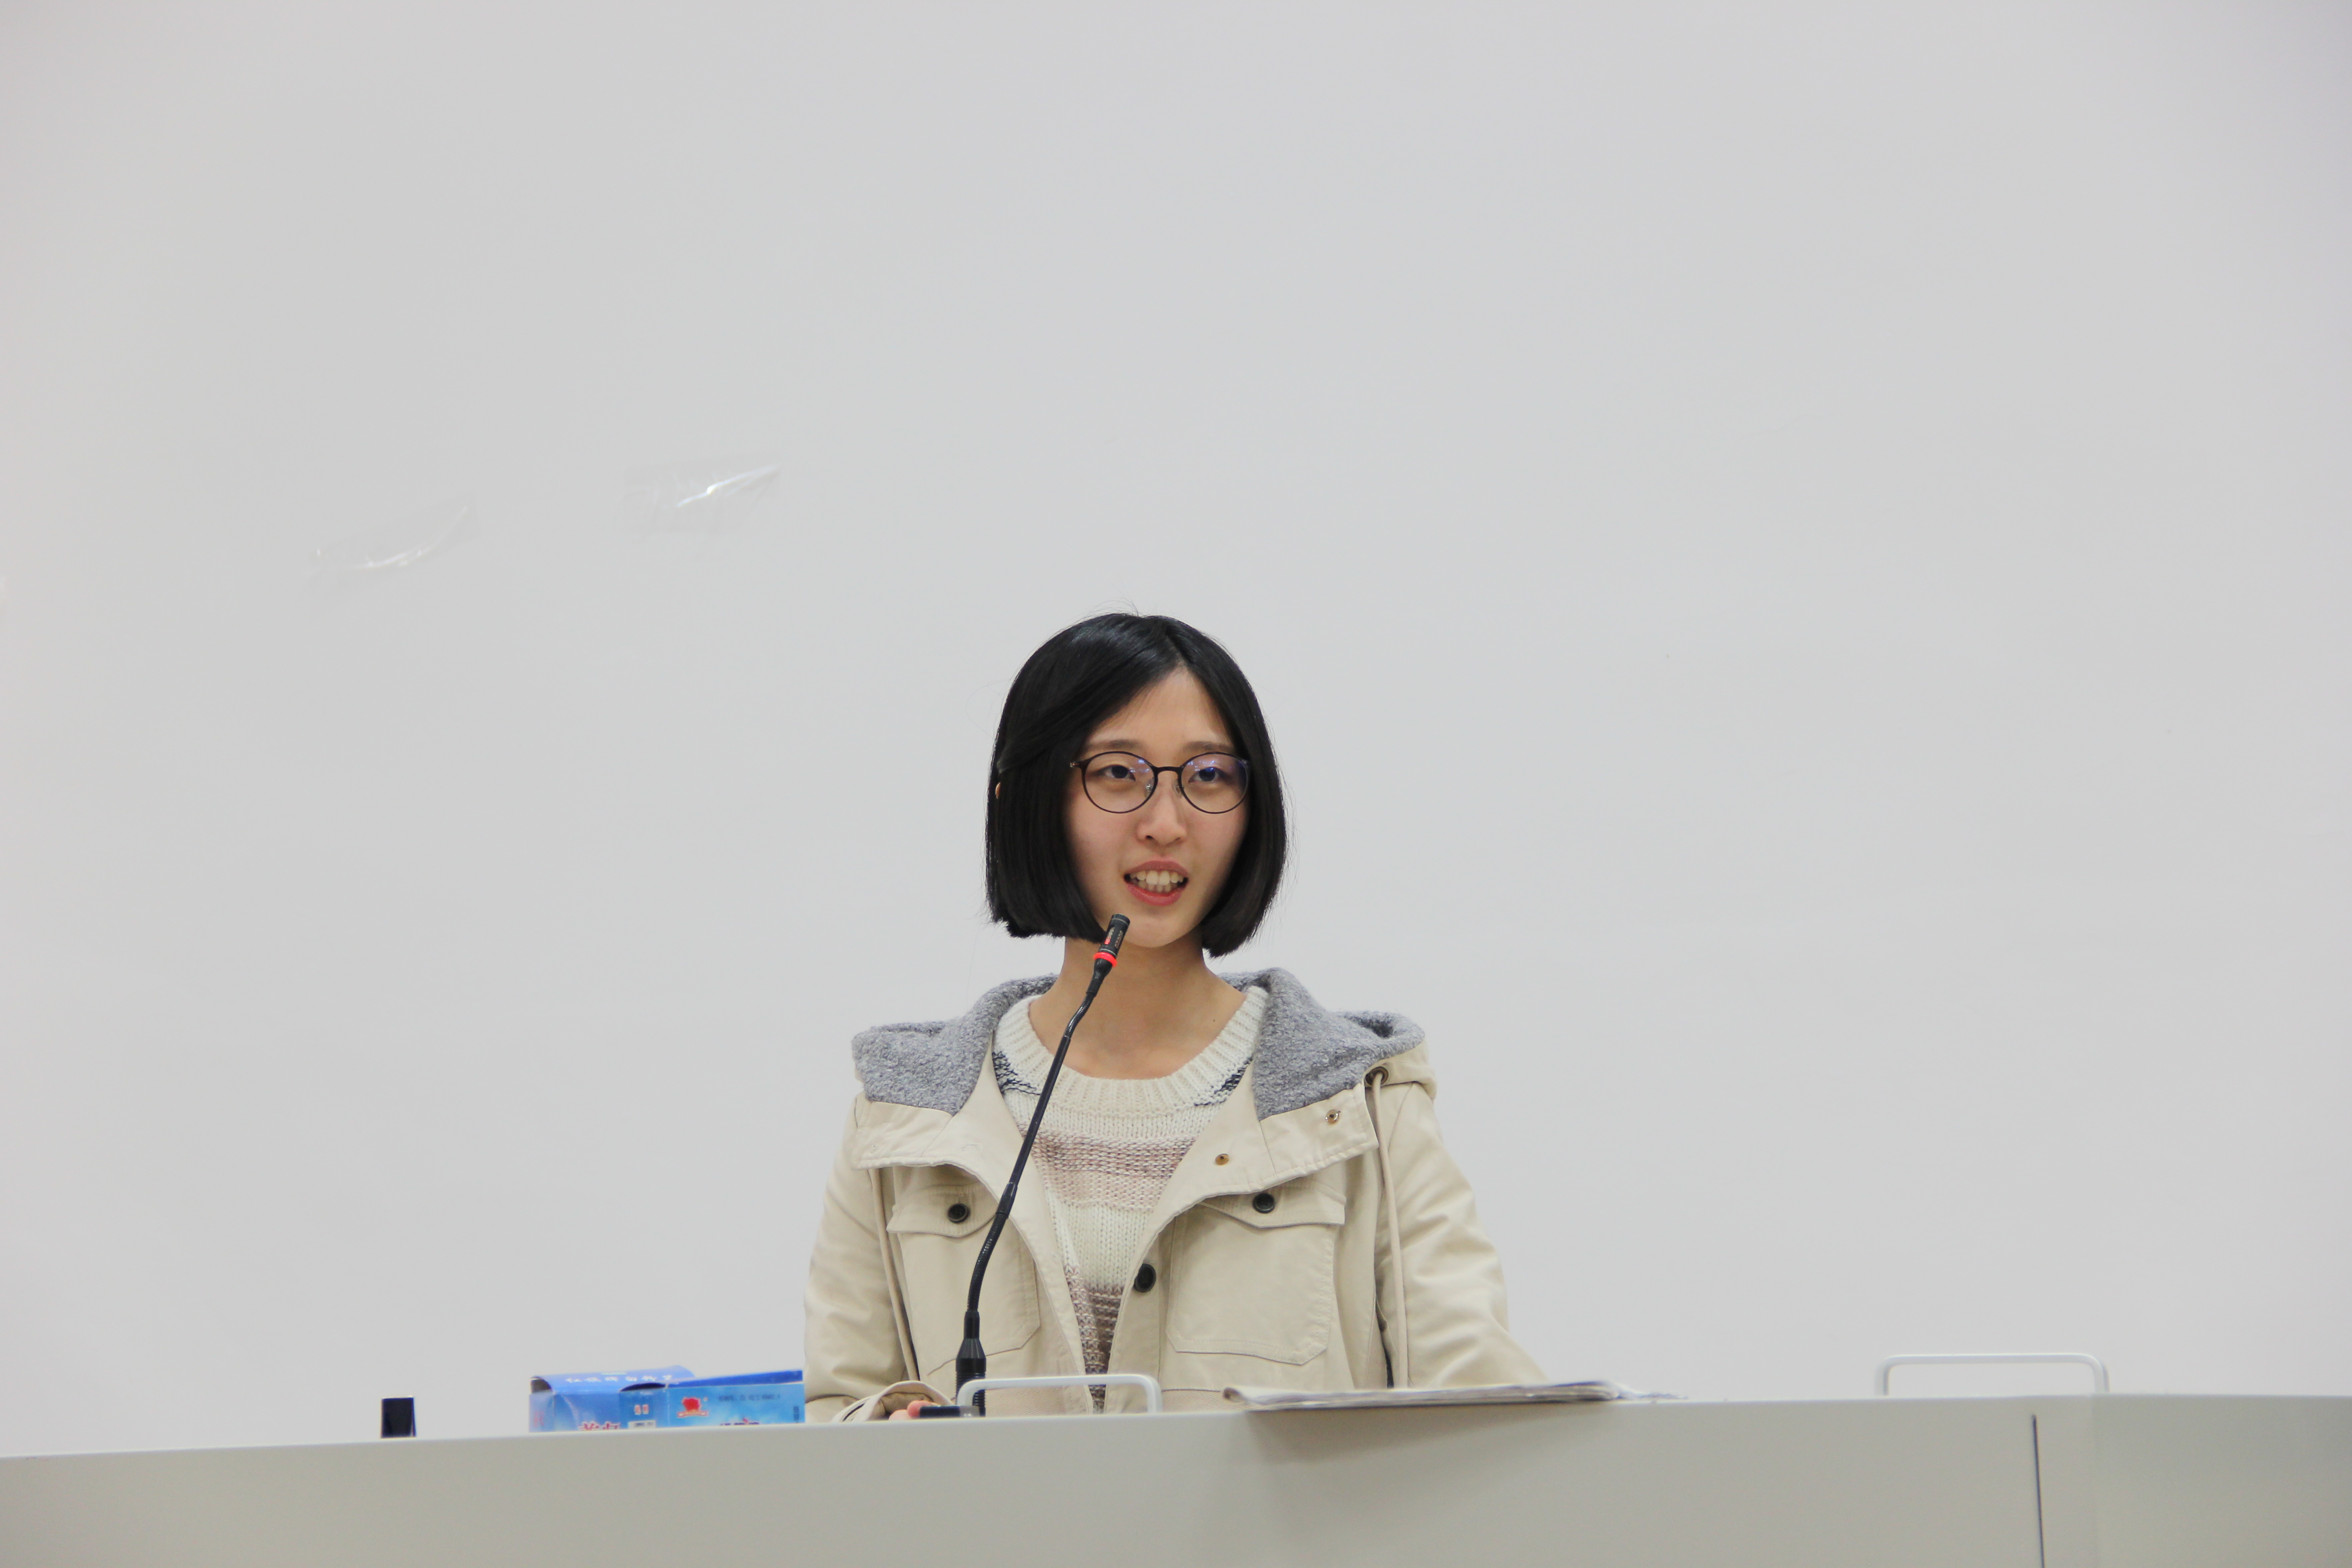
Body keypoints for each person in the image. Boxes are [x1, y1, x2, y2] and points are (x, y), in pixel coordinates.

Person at [803, 613, 1543, 1419]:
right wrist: (888, 1429)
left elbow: (1483, 1419)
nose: (1166, 823)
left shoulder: (1364, 1107)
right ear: (1024, 802)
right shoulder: (904, 1121)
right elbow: (832, 1416)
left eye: (1210, 776)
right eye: (1118, 774)